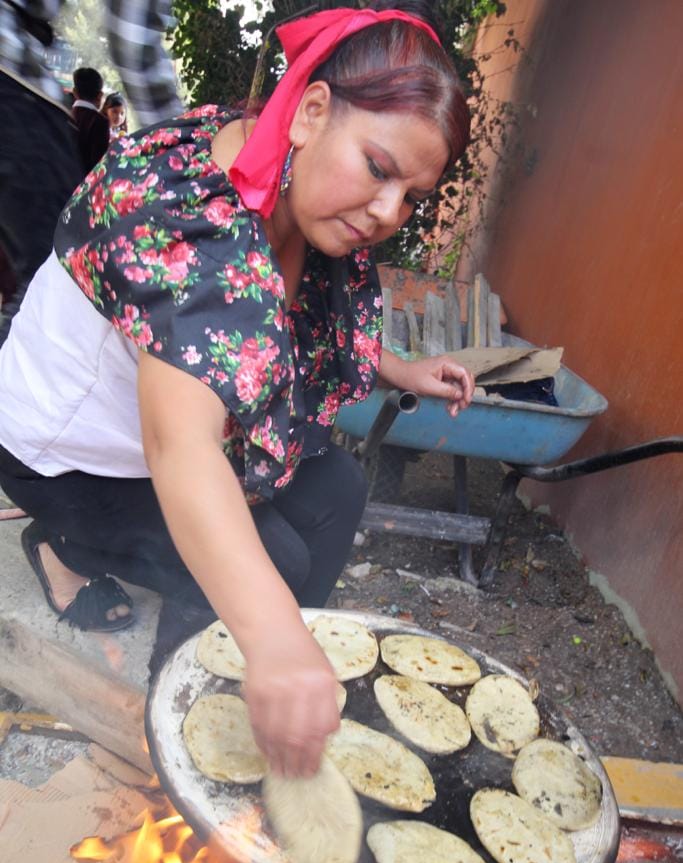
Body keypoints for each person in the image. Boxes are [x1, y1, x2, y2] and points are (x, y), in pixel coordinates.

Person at [0, 1, 474, 778]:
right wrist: (276, 636)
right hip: (59, 454)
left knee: (337, 488)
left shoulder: (286, 161)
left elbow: (299, 313)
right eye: (380, 170)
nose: (388, 212)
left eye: (411, 197)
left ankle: (261, 703)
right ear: (313, 109)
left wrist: (397, 368)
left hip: (145, 434)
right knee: (270, 563)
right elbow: (181, 448)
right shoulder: (196, 225)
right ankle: (180, 738)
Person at [0, 0, 183, 345]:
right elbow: (133, 36)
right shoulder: (97, 125)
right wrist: (187, 151)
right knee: (58, 281)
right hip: (12, 75)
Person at [71, 66, 110, 173]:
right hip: (81, 184)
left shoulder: (65, 114)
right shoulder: (101, 122)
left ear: (74, 92)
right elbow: (98, 165)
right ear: (100, 96)